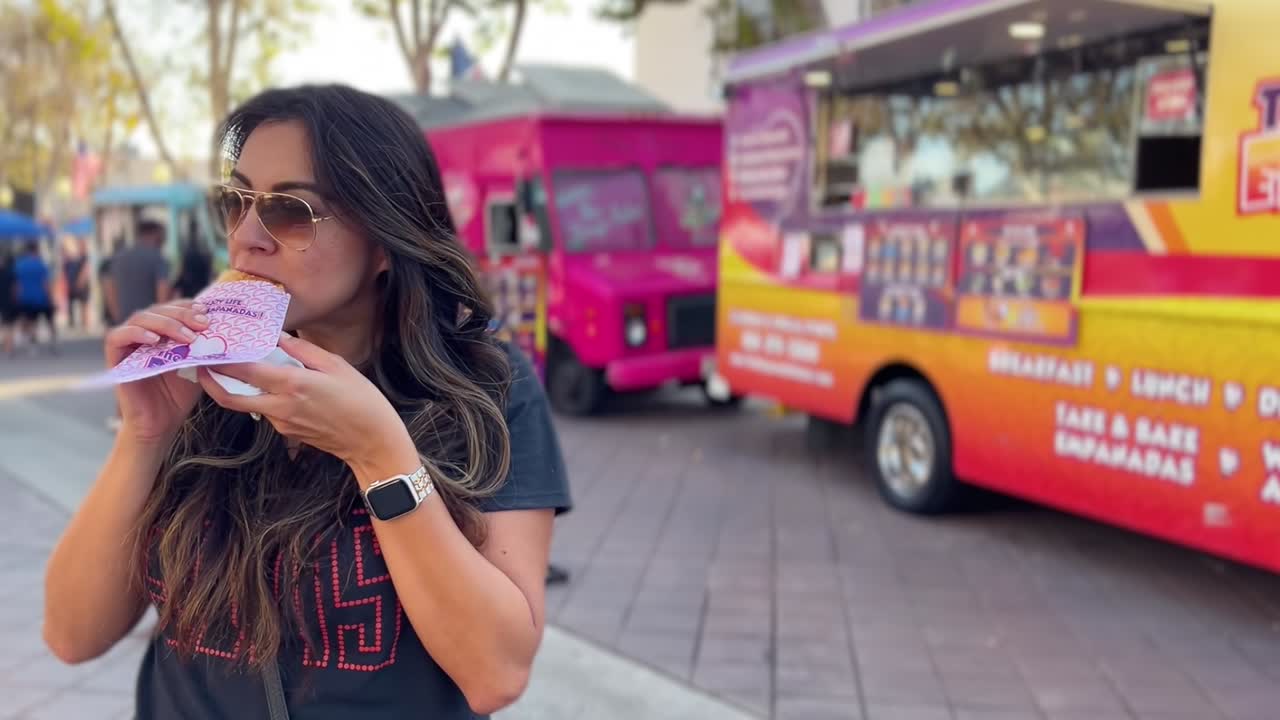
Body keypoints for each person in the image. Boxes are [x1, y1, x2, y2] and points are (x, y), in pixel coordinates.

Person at [43, 84, 573, 720]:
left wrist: (379, 456)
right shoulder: (203, 386)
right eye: (236, 202)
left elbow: (496, 673)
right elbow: (71, 636)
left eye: (291, 211)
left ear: (384, 238)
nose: (247, 238)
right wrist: (144, 436)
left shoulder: (489, 388)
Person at [12, 241, 57, 354]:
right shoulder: (41, 264)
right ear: (36, 250)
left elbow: (17, 284)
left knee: (31, 322)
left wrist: (16, 297)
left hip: (26, 298)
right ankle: (53, 343)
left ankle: (33, 346)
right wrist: (50, 297)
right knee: (50, 321)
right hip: (42, 298)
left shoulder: (19, 265)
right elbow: (46, 283)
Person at [63, 237, 91, 331]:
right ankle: (82, 324)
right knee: (81, 304)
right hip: (78, 284)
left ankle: (85, 324)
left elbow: (85, 270)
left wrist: (80, 282)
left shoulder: (85, 257)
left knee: (84, 304)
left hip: (82, 284)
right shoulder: (78, 258)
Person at [0, 247, 14, 356]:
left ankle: (7, 346)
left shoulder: (9, 272)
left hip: (6, 301)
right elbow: (15, 287)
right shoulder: (9, 272)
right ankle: (7, 347)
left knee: (6, 325)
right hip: (7, 301)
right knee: (7, 325)